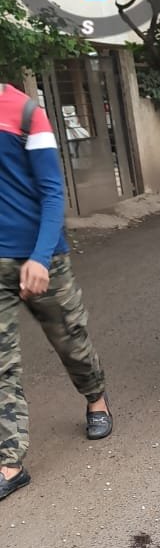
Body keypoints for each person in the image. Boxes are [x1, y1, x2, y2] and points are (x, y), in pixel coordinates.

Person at [0, 82, 112, 502]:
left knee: (71, 342)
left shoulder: (26, 113)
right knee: (1, 364)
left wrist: (41, 258)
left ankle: (96, 400)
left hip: (40, 256)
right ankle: (10, 463)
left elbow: (51, 191)